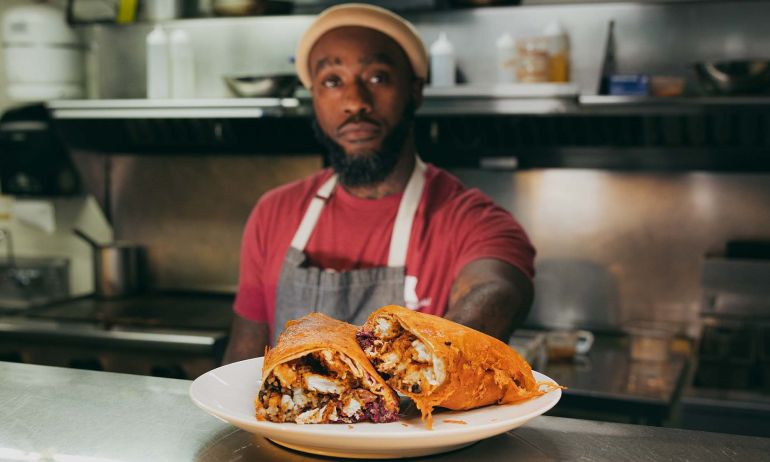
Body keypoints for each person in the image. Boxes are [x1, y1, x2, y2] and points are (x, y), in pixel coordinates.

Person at [223, 3, 535, 364]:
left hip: (418, 421)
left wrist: (432, 357)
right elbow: (242, 361)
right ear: (315, 99)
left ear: (414, 91)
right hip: (290, 421)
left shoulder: (470, 220)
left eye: (378, 77)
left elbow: (496, 289)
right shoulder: (274, 213)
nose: (355, 103)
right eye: (332, 81)